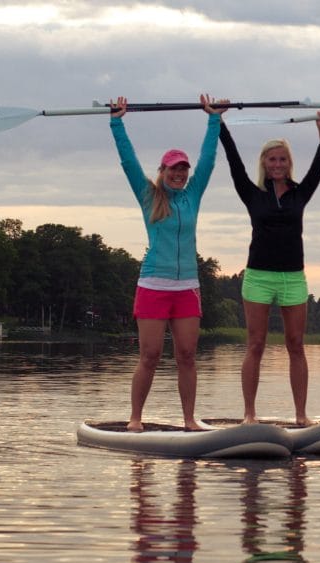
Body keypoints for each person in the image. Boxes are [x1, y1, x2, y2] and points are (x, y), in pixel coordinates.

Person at [219, 99, 320, 426]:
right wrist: (218, 123)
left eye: (283, 159)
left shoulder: (301, 192)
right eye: (272, 159)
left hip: (293, 278)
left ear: (289, 163)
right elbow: (232, 160)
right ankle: (249, 415)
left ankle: (301, 415)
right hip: (258, 276)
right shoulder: (252, 193)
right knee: (256, 344)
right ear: (264, 162)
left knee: (296, 344)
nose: (277, 164)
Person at [111, 94, 226, 432]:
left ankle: (189, 419)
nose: (180, 174)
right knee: (149, 356)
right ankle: (136, 419)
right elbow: (128, 161)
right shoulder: (148, 196)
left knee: (187, 356)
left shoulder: (193, 194)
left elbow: (209, 159)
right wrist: (117, 122)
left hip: (187, 287)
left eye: (183, 169)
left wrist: (213, 119)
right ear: (162, 171)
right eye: (174, 169)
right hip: (153, 286)